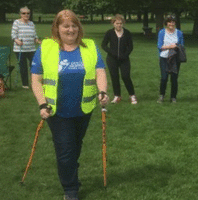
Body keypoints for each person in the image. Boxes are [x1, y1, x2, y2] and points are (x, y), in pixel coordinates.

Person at [31, 10, 108, 200]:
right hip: (56, 111)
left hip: (84, 109)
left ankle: (70, 170)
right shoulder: (46, 47)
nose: (71, 29)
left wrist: (103, 91)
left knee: (74, 147)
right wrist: (42, 104)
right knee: (66, 151)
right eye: (66, 26)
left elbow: (100, 71)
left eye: (74, 25)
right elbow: (35, 80)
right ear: (57, 28)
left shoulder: (89, 46)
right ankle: (71, 190)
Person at [101, 14, 137, 104]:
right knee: (114, 77)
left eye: (121, 23)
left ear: (123, 24)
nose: (119, 25)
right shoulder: (109, 33)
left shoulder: (127, 33)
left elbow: (130, 46)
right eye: (117, 23)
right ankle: (117, 96)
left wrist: (125, 54)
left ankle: (132, 95)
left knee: (126, 76)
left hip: (124, 59)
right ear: (113, 23)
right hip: (112, 59)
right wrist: (111, 52)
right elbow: (103, 45)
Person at [11, 6, 41, 89]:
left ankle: (34, 83)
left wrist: (38, 41)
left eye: (28, 13)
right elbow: (13, 35)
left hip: (31, 49)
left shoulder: (31, 23)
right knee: (23, 67)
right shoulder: (17, 23)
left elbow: (35, 36)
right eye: (24, 13)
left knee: (34, 66)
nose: (26, 15)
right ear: (20, 14)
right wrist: (17, 41)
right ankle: (25, 84)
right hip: (20, 49)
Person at [157, 15, 184, 103]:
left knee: (174, 78)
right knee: (164, 77)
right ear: (166, 23)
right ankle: (162, 95)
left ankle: (173, 97)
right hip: (164, 58)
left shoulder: (179, 33)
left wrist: (177, 47)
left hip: (175, 58)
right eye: (169, 22)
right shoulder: (162, 32)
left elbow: (182, 45)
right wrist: (171, 46)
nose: (171, 23)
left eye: (173, 22)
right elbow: (160, 46)